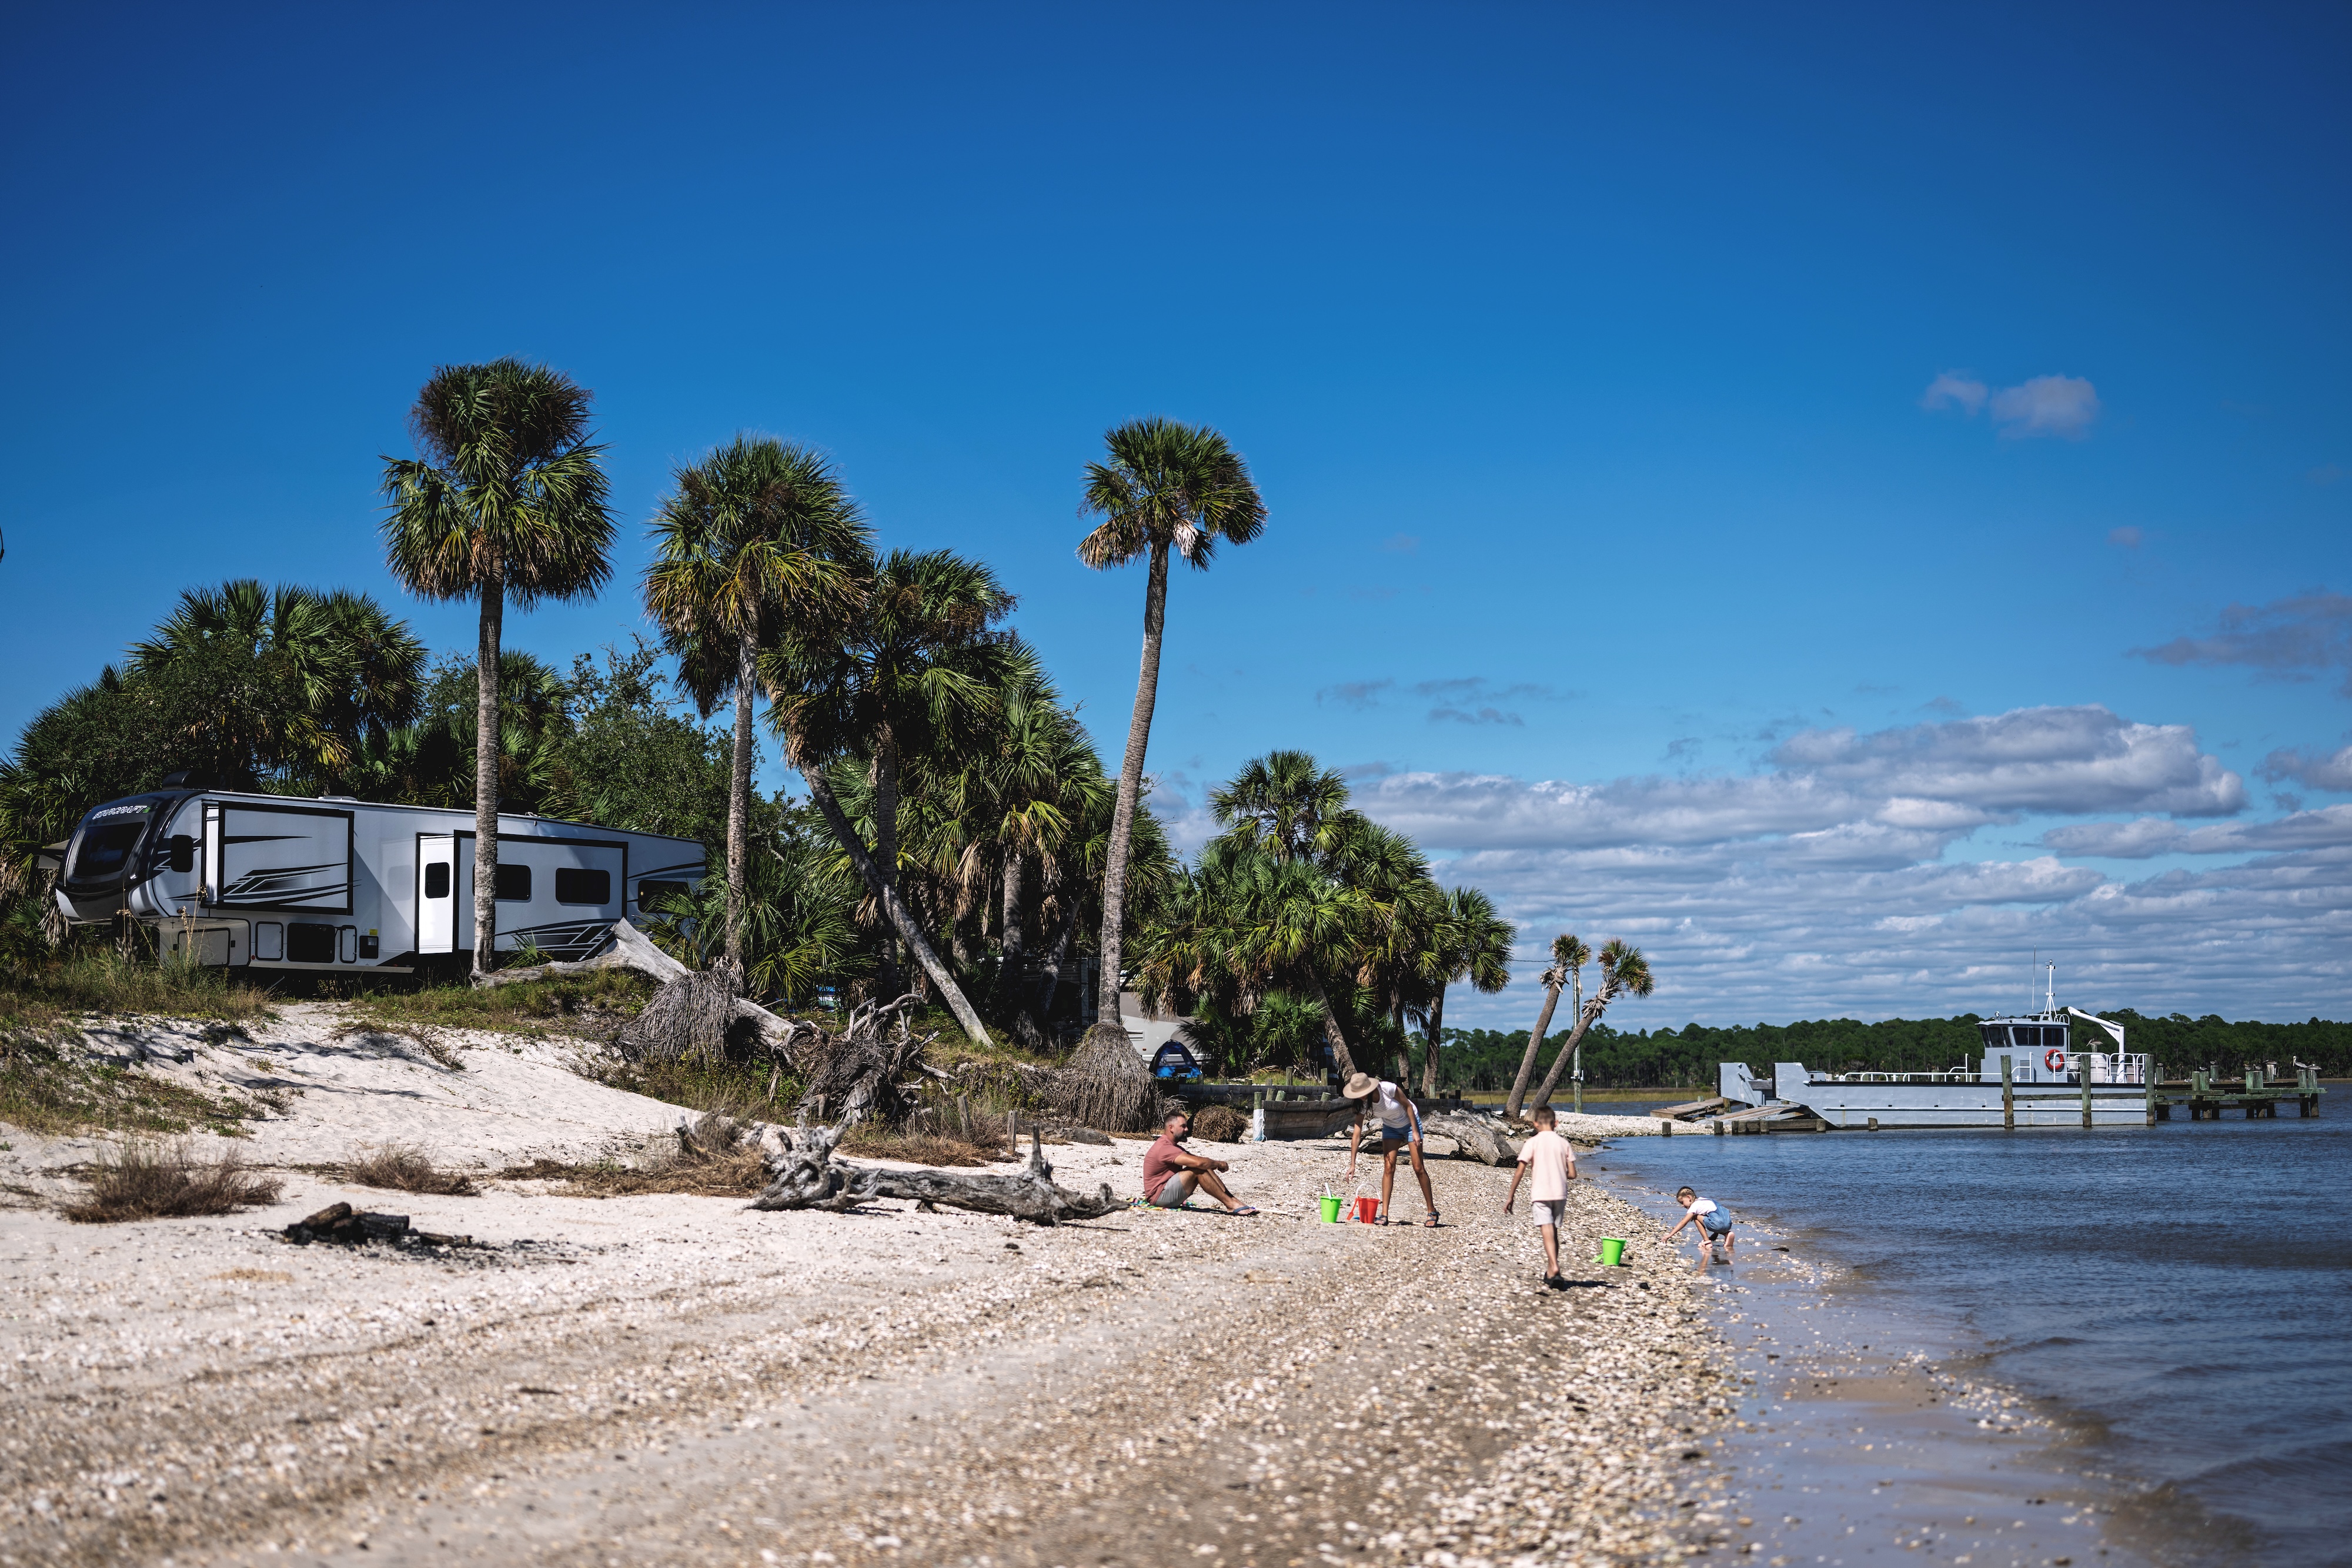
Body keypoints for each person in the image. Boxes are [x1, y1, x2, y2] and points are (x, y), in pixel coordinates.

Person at [1342, 1071, 1439, 1226]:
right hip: (1391, 1127)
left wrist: (1415, 1131)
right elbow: (1357, 1133)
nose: (1359, 1096)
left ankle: (1431, 1211)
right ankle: (1384, 1214)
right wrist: (1352, 1164)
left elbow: (1408, 1105)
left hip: (1410, 1123)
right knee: (1388, 1167)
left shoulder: (1388, 1089)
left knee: (1418, 1167)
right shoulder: (1363, 1103)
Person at [1501, 1104, 1578, 1289]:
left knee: (1546, 1230)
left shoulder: (1532, 1143)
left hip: (1541, 1193)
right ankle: (1551, 1270)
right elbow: (1573, 1174)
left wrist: (1511, 1196)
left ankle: (1555, 1266)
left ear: (1535, 1124)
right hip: (1560, 1194)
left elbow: (1520, 1171)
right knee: (1554, 1231)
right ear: (1556, 1123)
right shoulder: (1564, 1143)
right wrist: (1558, 1171)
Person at [1139, 1111, 1258, 1215]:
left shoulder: (1171, 1146)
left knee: (1203, 1166)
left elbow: (1199, 1161)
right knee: (1199, 1168)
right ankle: (1230, 1204)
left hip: (1165, 1194)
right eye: (1183, 1126)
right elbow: (1199, 1164)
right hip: (1159, 1198)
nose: (1187, 1129)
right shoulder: (1165, 1148)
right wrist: (1219, 1164)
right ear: (1171, 1128)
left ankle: (1233, 1200)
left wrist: (1212, 1164)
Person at [1665, 1186, 1735, 1263]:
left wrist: (1670, 1235)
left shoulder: (1695, 1205)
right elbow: (1719, 1215)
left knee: (1695, 1217)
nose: (1682, 1205)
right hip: (1728, 1223)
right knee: (1709, 1217)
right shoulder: (1706, 1200)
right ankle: (1727, 1234)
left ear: (1689, 1197)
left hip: (1717, 1223)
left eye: (1682, 1202)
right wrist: (1715, 1234)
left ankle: (1707, 1241)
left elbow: (1683, 1223)